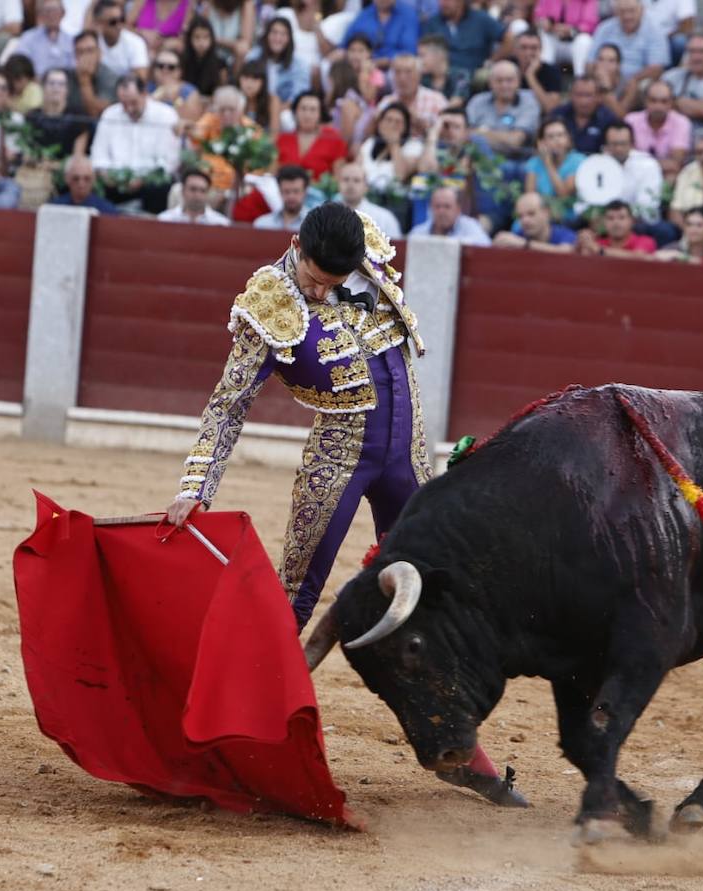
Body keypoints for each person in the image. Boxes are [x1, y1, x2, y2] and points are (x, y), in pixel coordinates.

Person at [165, 203, 527, 808]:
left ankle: (465, 756)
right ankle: (235, 743)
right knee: (294, 599)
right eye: (314, 279)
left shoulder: (370, 255)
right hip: (339, 459)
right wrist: (195, 487)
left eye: (334, 281)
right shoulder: (269, 302)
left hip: (407, 457)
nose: (322, 290)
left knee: (433, 597)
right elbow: (227, 405)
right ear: (295, 244)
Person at [91, 73, 180, 212]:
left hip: (151, 181)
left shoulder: (166, 115)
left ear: (144, 93)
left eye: (133, 103)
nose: (129, 109)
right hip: (115, 181)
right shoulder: (110, 114)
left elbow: (169, 161)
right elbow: (98, 155)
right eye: (124, 104)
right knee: (91, 184)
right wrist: (107, 176)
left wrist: (143, 180)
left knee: (161, 186)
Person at [465, 59, 541, 159]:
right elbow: (464, 134)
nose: (504, 85)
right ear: (490, 83)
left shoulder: (529, 101)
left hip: (516, 161)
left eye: (509, 80)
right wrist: (503, 137)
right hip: (477, 158)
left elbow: (515, 141)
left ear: (518, 81)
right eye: (499, 80)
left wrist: (480, 133)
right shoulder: (477, 101)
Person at [588, 0, 669, 86]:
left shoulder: (655, 31)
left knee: (645, 84)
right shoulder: (604, 28)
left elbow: (656, 68)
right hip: (604, 77)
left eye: (631, 11)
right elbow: (590, 62)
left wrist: (632, 80)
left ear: (642, 10)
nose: (627, 16)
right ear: (616, 12)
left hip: (637, 81)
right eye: (622, 11)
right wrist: (599, 75)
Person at [625, 78, 690, 180]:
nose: (658, 106)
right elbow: (626, 159)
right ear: (645, 101)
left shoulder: (681, 122)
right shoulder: (631, 121)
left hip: (664, 177)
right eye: (653, 100)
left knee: (672, 177)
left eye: (664, 101)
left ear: (671, 103)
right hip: (635, 176)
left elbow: (675, 164)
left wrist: (641, 162)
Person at [420, 0, 506, 76]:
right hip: (443, 79)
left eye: (447, 0)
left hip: (474, 76)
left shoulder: (481, 19)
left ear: (461, 2)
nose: (442, 3)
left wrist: (491, 61)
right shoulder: (433, 22)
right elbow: (424, 49)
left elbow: (509, 39)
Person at [599, 121, 662, 223]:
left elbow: (647, 206)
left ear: (632, 144)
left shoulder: (648, 165)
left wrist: (621, 221)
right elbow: (585, 204)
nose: (619, 149)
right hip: (604, 222)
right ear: (605, 145)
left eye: (623, 144)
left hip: (640, 223)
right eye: (614, 144)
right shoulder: (596, 165)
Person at [279, 90, 349, 180]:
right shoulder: (283, 139)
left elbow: (339, 176)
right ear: (295, 112)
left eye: (313, 110)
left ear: (320, 114)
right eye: (303, 109)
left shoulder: (334, 139)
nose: (307, 115)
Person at [27, 67, 93, 159]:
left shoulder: (78, 116)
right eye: (51, 83)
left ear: (67, 90)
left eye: (61, 84)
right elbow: (28, 152)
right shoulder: (32, 116)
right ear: (43, 87)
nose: (56, 88)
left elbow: (78, 156)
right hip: (38, 166)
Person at [379, 54, 447, 139]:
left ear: (419, 75)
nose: (402, 78)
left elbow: (447, 135)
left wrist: (418, 122)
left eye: (408, 72)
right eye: (397, 72)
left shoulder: (437, 99)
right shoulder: (387, 102)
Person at [250, 16, 312, 108]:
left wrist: (277, 112)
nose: (278, 38)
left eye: (283, 34)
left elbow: (299, 96)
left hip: (286, 111)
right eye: (274, 33)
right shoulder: (254, 57)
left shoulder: (299, 65)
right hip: (256, 109)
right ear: (267, 35)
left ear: (289, 39)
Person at [357, 101, 421, 190]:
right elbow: (357, 170)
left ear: (405, 127)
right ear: (380, 124)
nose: (392, 125)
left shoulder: (414, 145)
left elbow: (400, 176)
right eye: (388, 120)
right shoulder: (370, 142)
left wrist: (394, 143)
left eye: (398, 122)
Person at [550, 75, 618, 155]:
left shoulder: (608, 118)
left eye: (588, 95)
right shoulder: (558, 115)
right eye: (579, 95)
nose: (583, 101)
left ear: (598, 97)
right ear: (571, 95)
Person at [523, 115, 584, 200]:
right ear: (541, 143)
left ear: (568, 139)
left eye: (560, 135)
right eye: (550, 137)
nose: (557, 140)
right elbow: (530, 197)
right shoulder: (534, 163)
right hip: (541, 211)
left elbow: (564, 195)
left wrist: (548, 163)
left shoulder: (578, 161)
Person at [493, 189, 577, 251]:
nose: (525, 220)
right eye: (520, 216)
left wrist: (525, 244)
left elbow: (565, 251)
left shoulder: (565, 235)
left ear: (546, 213)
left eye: (531, 214)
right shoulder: (519, 236)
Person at [337, 159, 402, 237]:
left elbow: (395, 247)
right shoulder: (326, 217)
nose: (350, 185)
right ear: (338, 184)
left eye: (356, 180)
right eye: (346, 179)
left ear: (366, 187)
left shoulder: (385, 218)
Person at [409, 184, 492, 243]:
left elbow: (485, 246)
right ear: (431, 208)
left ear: (458, 209)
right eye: (437, 206)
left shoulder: (471, 226)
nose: (441, 211)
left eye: (447, 206)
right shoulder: (418, 233)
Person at [343, 0, 419, 65]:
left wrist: (383, 62)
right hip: (362, 65)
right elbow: (346, 43)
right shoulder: (364, 15)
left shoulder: (408, 15)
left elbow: (410, 51)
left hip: (395, 68)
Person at [577, 199, 656, 258]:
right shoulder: (598, 243)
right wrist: (581, 244)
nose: (616, 222)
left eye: (621, 218)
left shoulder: (645, 241)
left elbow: (637, 258)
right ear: (604, 222)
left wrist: (599, 250)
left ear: (632, 221)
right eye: (610, 218)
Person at [533, 0, 597, 74]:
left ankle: (581, 78)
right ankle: (547, 75)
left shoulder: (587, 1)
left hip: (574, 43)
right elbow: (538, 17)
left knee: (584, 40)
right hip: (554, 42)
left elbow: (591, 24)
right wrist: (544, 23)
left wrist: (571, 30)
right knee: (544, 35)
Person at [68, 29, 120, 118]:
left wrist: (84, 81)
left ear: (99, 53)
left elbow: (96, 114)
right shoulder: (68, 76)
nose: (85, 56)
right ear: (75, 55)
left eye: (90, 50)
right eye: (80, 52)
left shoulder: (110, 77)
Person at [16, 0, 75, 77]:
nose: (51, 15)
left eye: (54, 10)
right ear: (40, 15)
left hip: (65, 85)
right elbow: (20, 63)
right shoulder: (28, 38)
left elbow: (75, 68)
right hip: (36, 83)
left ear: (63, 13)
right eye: (47, 11)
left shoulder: (71, 40)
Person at [511, 28, 563, 115]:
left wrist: (530, 76)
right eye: (523, 47)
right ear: (515, 50)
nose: (528, 52)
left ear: (541, 50)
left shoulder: (551, 71)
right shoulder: (505, 67)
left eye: (534, 48)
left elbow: (552, 110)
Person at [158, 164, 232, 224]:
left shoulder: (220, 223)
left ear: (208, 193)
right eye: (193, 189)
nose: (197, 195)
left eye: (203, 191)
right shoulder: (164, 220)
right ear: (183, 191)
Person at [94, 0, 148, 80]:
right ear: (99, 24)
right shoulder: (91, 43)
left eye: (122, 19)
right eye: (113, 22)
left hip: (125, 90)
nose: (119, 25)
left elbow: (141, 80)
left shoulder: (136, 42)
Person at [48, 154, 120, 212]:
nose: (81, 184)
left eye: (87, 179)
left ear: (94, 179)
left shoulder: (107, 210)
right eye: (76, 178)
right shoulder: (54, 208)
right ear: (67, 178)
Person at [148, 46, 201, 122]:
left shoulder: (189, 91)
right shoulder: (145, 88)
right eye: (160, 66)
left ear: (180, 71)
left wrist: (175, 100)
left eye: (171, 67)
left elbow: (192, 121)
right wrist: (155, 99)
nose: (165, 70)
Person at [418, 33, 471, 106]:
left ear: (440, 55)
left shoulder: (460, 75)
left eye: (422, 55)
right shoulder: (422, 78)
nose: (419, 60)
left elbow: (457, 101)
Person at [254, 163, 311, 230]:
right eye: (286, 191)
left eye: (296, 191)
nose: (291, 196)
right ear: (280, 191)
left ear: (305, 192)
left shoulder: (316, 226)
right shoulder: (262, 225)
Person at [180, 16, 227, 97]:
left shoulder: (220, 64)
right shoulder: (182, 61)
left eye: (206, 37)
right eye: (197, 37)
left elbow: (221, 92)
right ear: (189, 39)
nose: (201, 42)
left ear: (212, 39)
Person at [126, 0, 192, 54]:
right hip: (140, 52)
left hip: (167, 58)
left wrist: (165, 43)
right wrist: (141, 33)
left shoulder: (187, 6)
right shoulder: (142, 1)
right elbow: (126, 28)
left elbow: (186, 41)